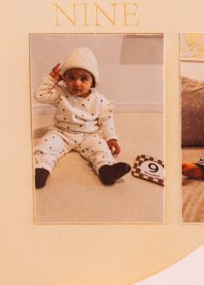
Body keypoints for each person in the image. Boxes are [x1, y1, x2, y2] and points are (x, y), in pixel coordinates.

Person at [33, 46, 131, 188]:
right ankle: (40, 170)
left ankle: (106, 169)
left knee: (100, 148)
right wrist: (51, 79)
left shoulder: (100, 100)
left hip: (88, 135)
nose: (77, 83)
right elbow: (40, 96)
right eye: (71, 77)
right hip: (61, 133)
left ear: (93, 82)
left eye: (84, 79)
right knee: (46, 145)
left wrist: (111, 138)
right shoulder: (60, 93)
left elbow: (106, 120)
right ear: (63, 78)